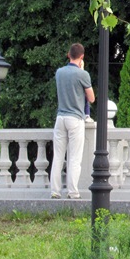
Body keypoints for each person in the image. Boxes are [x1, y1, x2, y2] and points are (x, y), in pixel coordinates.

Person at [50, 43, 95, 199]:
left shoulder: (59, 73)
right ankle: (73, 192)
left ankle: (55, 192)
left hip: (60, 118)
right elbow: (91, 98)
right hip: (75, 119)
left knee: (58, 157)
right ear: (82, 57)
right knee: (74, 157)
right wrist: (82, 70)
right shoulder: (83, 75)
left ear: (68, 55)